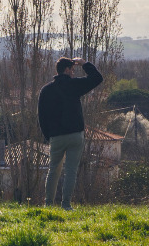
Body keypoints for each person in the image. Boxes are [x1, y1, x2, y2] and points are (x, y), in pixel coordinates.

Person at [37, 57, 103, 210]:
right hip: (75, 135)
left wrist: (49, 136)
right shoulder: (74, 85)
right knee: (71, 171)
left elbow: (41, 116)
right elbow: (97, 78)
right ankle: (66, 205)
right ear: (67, 70)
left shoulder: (46, 90)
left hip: (56, 136)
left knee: (53, 169)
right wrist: (84, 63)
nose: (73, 73)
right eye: (73, 70)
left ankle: (48, 204)